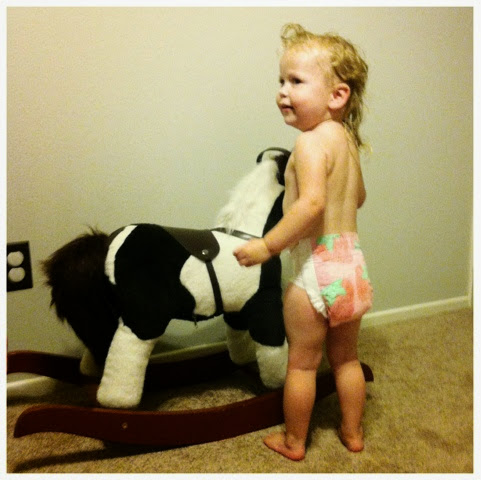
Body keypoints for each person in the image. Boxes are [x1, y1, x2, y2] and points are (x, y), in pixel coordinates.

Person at [233, 23, 373, 461]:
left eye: (295, 81)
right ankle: (352, 432)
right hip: (351, 265)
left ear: (337, 95)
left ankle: (294, 441)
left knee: (303, 363)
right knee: (346, 359)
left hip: (316, 267)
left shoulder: (309, 142)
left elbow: (312, 205)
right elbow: (359, 197)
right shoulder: (346, 141)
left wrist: (268, 246)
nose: (282, 91)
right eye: (281, 81)